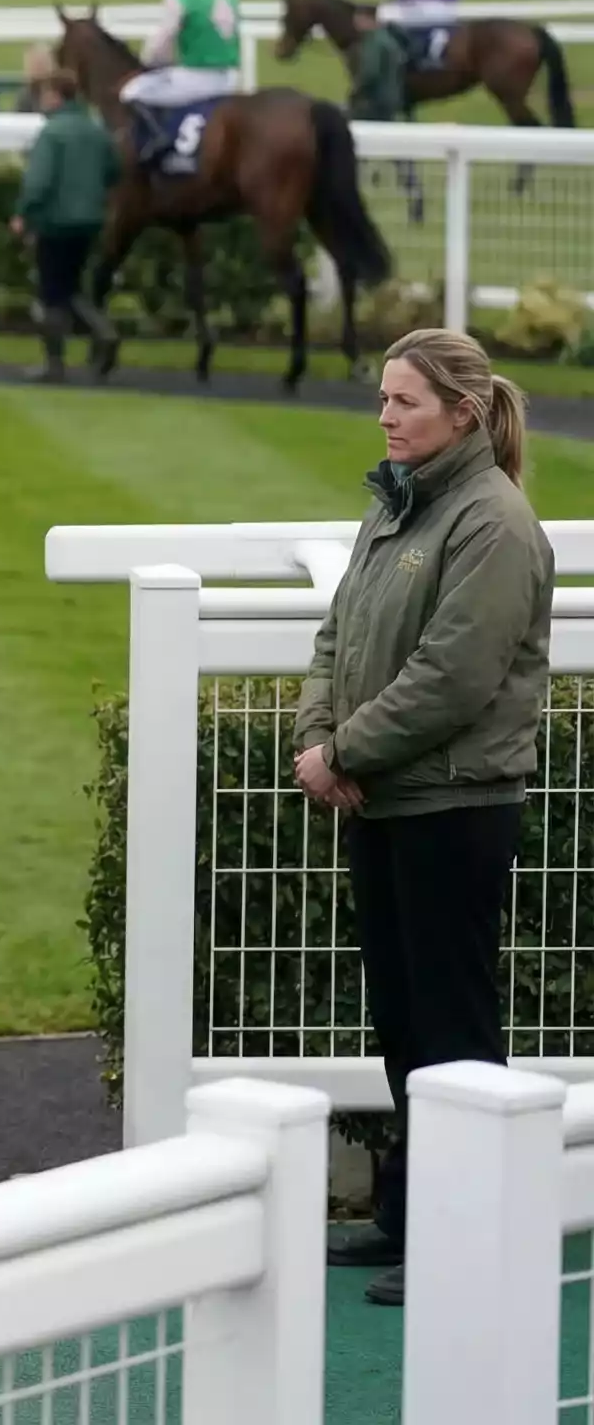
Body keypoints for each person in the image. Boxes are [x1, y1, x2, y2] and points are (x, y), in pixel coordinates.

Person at [293, 328, 553, 1310]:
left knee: (449, 1027)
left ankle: (466, 1236)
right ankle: (408, 1220)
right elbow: (335, 634)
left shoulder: (492, 521)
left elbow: (452, 676)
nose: (383, 415)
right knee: (402, 1020)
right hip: (386, 798)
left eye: (401, 400)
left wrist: (342, 754)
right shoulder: (393, 506)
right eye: (381, 398)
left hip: (452, 807)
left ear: (457, 410)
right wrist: (320, 736)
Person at [9, 69, 121, 383]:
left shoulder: (52, 133)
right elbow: (114, 169)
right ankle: (102, 331)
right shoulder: (96, 129)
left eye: (45, 94)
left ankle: (56, 362)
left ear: (57, 96)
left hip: (55, 221)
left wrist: (22, 213)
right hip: (89, 221)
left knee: (52, 293)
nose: (41, 101)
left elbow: (38, 182)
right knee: (69, 286)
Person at [119, 0, 244, 167]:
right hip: (230, 77)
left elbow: (160, 44)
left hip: (196, 78)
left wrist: (149, 63)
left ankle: (160, 141)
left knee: (131, 91)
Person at [348, 3, 409, 124]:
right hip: (392, 98)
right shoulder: (389, 37)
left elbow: (370, 72)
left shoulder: (373, 41)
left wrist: (355, 92)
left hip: (375, 101)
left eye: (358, 20)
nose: (356, 25)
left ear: (367, 19)